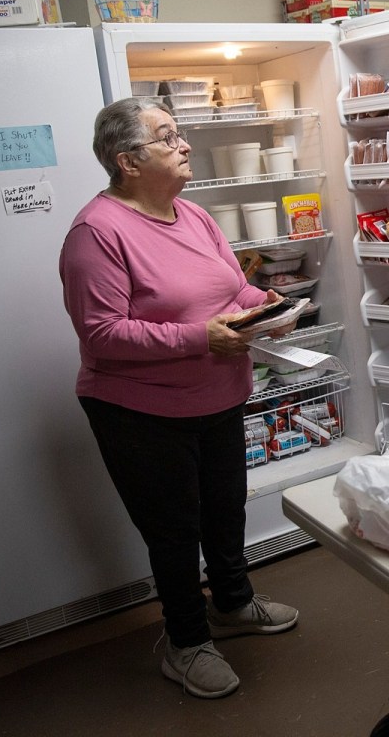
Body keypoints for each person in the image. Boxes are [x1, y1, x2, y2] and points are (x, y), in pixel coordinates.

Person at [59, 98, 298, 699]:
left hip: (217, 395)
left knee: (225, 509)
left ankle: (234, 605)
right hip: (140, 410)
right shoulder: (96, 232)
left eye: (179, 133)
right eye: (167, 138)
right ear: (127, 161)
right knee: (173, 530)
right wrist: (200, 336)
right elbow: (102, 334)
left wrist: (261, 306)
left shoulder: (192, 216)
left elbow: (230, 284)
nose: (184, 144)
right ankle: (186, 643)